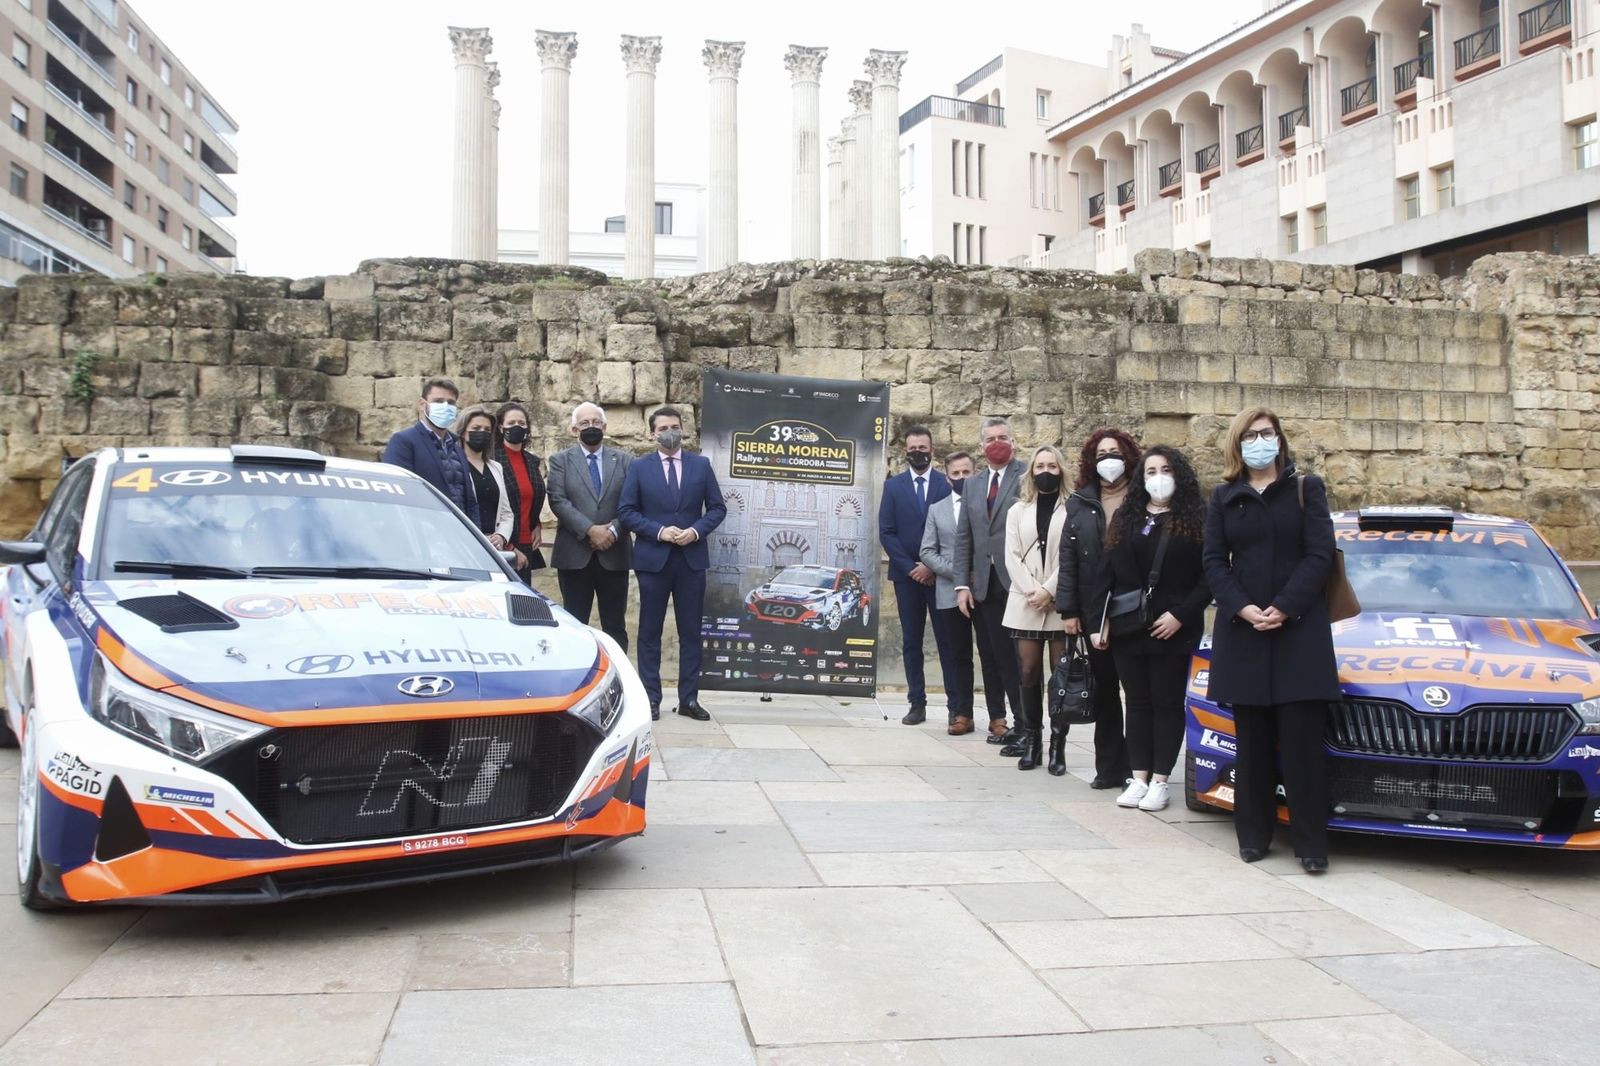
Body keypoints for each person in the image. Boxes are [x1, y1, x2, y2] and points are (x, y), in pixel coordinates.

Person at [1202, 406, 1340, 875]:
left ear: (1280, 439)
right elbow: (1215, 561)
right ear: (1237, 445)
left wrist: (1284, 605)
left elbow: (1320, 554)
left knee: (1302, 746)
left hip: (1298, 630)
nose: (1260, 441)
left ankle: (1311, 844)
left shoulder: (1307, 488)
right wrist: (1243, 607)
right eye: (1250, 435)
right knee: (1253, 745)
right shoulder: (1225, 496)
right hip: (1245, 633)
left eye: (1267, 433)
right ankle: (1254, 836)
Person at [1096, 445, 1210, 812]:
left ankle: (1161, 780)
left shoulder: (1196, 520)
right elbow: (1107, 573)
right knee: (1138, 703)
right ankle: (1139, 776)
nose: (1158, 478)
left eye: (1165, 470)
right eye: (1149, 472)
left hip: (1172, 627)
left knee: (1166, 703)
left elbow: (1210, 576)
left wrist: (1181, 614)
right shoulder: (1126, 519)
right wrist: (1100, 622)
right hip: (1130, 625)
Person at [618, 406, 727, 722]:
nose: (670, 432)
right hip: (653, 560)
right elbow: (626, 511)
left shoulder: (701, 466)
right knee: (649, 632)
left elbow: (717, 509)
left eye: (675, 426)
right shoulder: (640, 468)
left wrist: (694, 532)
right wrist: (659, 531)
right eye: (663, 427)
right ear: (652, 433)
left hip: (691, 561)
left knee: (690, 632)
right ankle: (651, 699)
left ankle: (688, 699)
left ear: (684, 430)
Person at [1057, 428, 1140, 790]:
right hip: (1095, 613)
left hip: (1135, 610)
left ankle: (1140, 768)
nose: (1110, 459)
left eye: (1116, 452)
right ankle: (1109, 768)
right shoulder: (1080, 501)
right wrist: (1069, 611)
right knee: (1105, 692)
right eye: (1102, 453)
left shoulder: (1142, 498)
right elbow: (1069, 559)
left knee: (1138, 695)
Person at [953, 417, 1027, 750]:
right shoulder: (973, 484)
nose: (997, 443)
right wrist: (961, 584)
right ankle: (1003, 720)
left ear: (1012, 441)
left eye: (1003, 437)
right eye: (991, 439)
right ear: (981, 447)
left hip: (1019, 583)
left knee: (1020, 659)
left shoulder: (1026, 475)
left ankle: (1028, 725)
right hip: (983, 585)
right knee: (994, 656)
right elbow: (963, 537)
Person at [879, 425, 953, 726]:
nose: (918, 452)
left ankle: (956, 705)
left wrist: (931, 566)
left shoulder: (945, 484)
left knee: (948, 642)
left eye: (923, 447)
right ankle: (916, 703)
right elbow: (887, 531)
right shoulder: (893, 487)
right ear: (905, 451)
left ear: (932, 449)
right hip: (906, 577)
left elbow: (954, 531)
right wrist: (912, 567)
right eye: (913, 448)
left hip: (939, 577)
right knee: (912, 641)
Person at [1002, 445, 1069, 772]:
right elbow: (1011, 555)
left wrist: (1049, 590)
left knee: (1060, 677)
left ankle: (1058, 746)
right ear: (1031, 471)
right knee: (1028, 671)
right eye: (1040, 465)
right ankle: (1033, 741)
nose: (1046, 471)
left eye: (1052, 466)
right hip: (1025, 599)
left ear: (1061, 471)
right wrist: (1033, 590)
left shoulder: (1073, 508)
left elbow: (1072, 556)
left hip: (1058, 600)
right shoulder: (1018, 510)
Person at [546, 402, 633, 651]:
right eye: (584, 423)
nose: (591, 427)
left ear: (605, 427)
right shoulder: (560, 460)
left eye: (596, 422)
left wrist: (613, 530)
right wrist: (590, 530)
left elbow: (632, 502)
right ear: (574, 429)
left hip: (614, 554)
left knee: (615, 625)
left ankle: (618, 678)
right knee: (574, 623)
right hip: (575, 554)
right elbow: (558, 500)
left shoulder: (625, 461)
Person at [919, 450, 977, 734]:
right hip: (949, 591)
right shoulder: (937, 509)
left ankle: (999, 716)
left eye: (966, 473)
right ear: (947, 476)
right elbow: (927, 551)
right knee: (957, 655)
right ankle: (961, 713)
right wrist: (959, 573)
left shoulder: (986, 506)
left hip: (985, 590)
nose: (961, 478)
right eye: (956, 474)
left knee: (993, 655)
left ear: (974, 473)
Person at [382, 377, 480, 527]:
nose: (446, 406)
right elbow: (397, 494)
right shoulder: (404, 442)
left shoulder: (457, 448)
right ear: (423, 404)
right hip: (425, 533)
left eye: (451, 403)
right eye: (439, 401)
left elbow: (470, 499)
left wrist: (475, 535)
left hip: (460, 535)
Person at [458, 405, 520, 567]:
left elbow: (507, 513)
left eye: (487, 429)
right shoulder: (455, 466)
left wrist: (501, 536)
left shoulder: (496, 467)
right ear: (463, 432)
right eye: (476, 428)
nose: (482, 433)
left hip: (494, 549)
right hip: (464, 547)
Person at [496, 402, 547, 583]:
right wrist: (508, 546)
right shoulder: (493, 460)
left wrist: (537, 525)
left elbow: (532, 497)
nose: (517, 427)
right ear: (501, 428)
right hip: (504, 543)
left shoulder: (531, 461)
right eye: (511, 423)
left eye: (521, 423)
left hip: (527, 544)